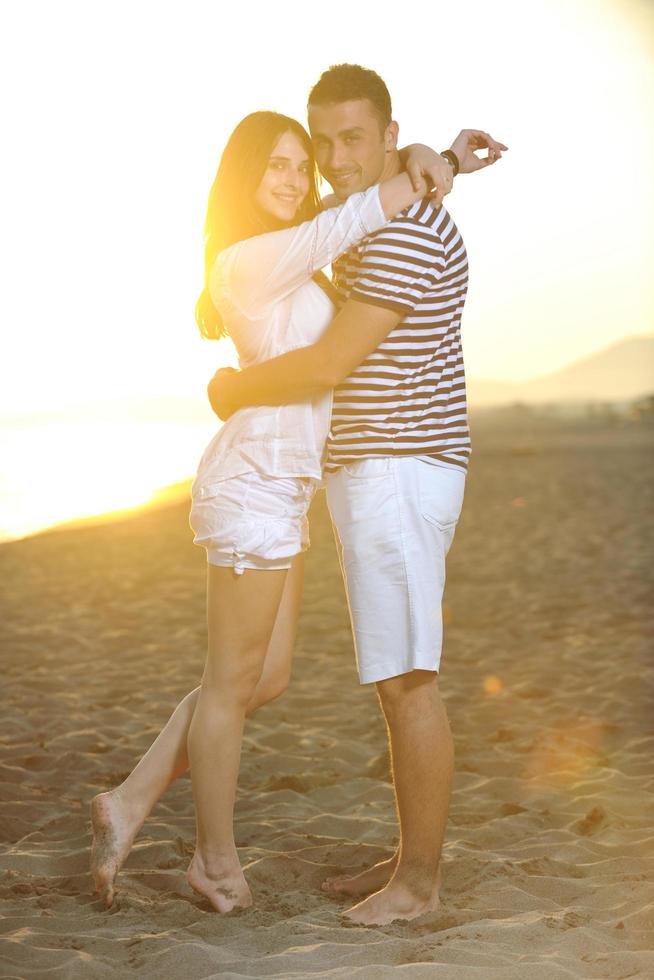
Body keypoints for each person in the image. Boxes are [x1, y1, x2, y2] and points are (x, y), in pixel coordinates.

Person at [89, 106, 462, 914]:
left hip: (288, 487)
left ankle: (131, 796)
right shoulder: (249, 259)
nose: (298, 178)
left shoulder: (291, 256)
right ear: (244, 180)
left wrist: (437, 157)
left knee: (265, 676)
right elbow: (357, 214)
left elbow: (358, 206)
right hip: (254, 482)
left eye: (304, 165)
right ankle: (213, 863)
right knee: (227, 685)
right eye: (280, 166)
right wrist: (421, 162)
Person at [208, 64, 508, 926]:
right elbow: (379, 195)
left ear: (384, 134)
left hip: (398, 470)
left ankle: (418, 885)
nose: (336, 160)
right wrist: (438, 155)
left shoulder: (404, 231)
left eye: (353, 139)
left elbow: (333, 362)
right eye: (323, 141)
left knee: (409, 677)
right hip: (380, 469)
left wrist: (237, 391)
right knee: (393, 673)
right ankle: (411, 854)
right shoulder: (383, 214)